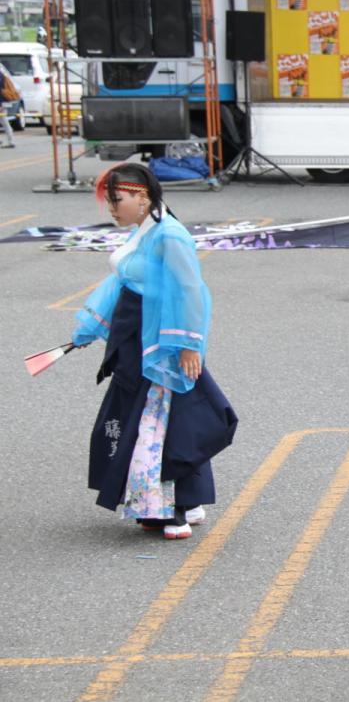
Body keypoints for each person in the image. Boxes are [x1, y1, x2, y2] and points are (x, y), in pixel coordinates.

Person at [71, 163, 237, 539]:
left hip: (161, 343)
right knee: (164, 417)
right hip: (137, 338)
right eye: (109, 201)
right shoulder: (145, 231)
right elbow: (121, 283)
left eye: (118, 200)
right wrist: (88, 328)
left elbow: (190, 290)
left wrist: (188, 344)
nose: (112, 208)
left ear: (142, 196)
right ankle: (187, 502)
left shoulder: (170, 235)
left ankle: (169, 510)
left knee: (158, 422)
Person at [0, 63, 19, 148]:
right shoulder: (1, 74)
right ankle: (11, 140)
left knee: (4, 121)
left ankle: (11, 141)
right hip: (2, 102)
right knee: (4, 121)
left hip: (1, 102)